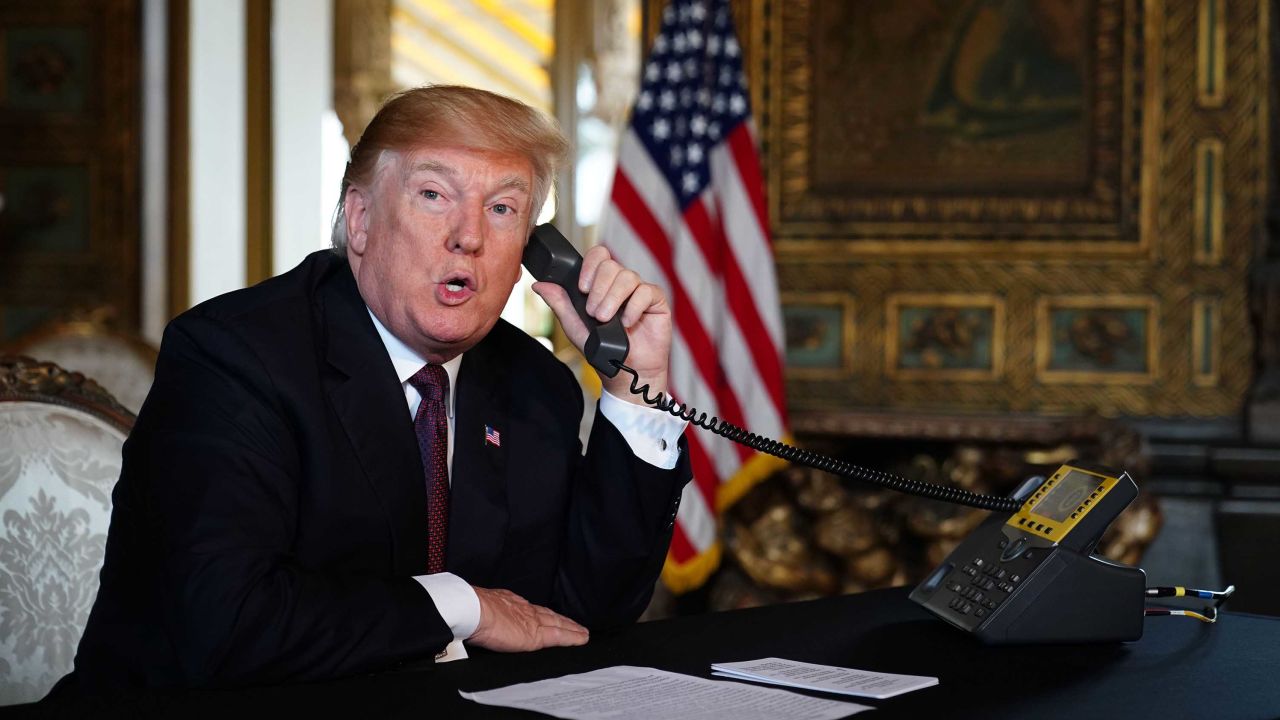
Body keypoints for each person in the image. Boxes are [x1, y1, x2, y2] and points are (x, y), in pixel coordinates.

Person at [58, 85, 691, 694]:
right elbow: (226, 624)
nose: (469, 236)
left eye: (502, 209)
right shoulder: (234, 356)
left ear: (533, 248)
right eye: (434, 195)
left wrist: (636, 389)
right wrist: (462, 606)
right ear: (359, 219)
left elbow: (584, 614)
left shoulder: (534, 382)